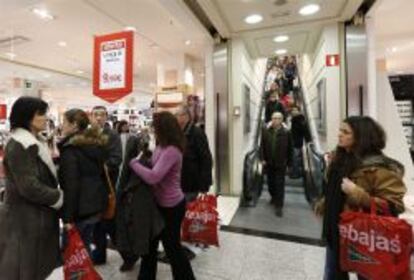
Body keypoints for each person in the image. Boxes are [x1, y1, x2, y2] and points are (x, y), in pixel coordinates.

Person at [315, 116, 406, 280]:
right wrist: (325, 203)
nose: (339, 135)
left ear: (361, 136)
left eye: (346, 132)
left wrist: (356, 193)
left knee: (366, 275)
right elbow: (334, 191)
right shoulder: (339, 159)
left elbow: (393, 206)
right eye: (340, 130)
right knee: (332, 274)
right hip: (336, 230)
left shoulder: (380, 168)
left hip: (363, 236)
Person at [0, 97, 63, 280]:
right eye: (41, 114)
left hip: (35, 216)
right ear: (27, 116)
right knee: (24, 268)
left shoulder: (34, 142)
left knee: (34, 266)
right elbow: (29, 186)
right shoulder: (21, 144)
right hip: (26, 219)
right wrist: (58, 197)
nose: (45, 118)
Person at [129, 111, 195, 280]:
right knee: (150, 245)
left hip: (172, 207)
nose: (153, 129)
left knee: (172, 247)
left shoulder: (172, 150)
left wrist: (134, 164)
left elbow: (154, 177)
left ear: (163, 128)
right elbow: (153, 166)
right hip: (158, 204)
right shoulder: (161, 146)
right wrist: (144, 158)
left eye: (155, 126)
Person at [58, 109, 108, 255]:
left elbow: (71, 185)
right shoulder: (94, 144)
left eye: (64, 122)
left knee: (73, 254)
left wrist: (67, 218)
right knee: (84, 249)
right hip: (94, 205)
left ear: (74, 125)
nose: (62, 126)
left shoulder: (71, 150)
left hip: (79, 209)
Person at [175, 105, 213, 259]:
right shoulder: (178, 133)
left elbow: (206, 158)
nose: (176, 118)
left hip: (191, 181)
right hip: (179, 182)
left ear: (185, 116)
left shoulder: (196, 133)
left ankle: (189, 246)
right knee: (182, 213)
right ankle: (184, 242)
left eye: (178, 115)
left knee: (189, 214)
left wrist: (205, 184)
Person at [90, 105, 122, 265]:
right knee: (98, 222)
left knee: (110, 221)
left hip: (106, 184)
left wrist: (99, 168)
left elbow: (117, 159)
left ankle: (128, 253)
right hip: (92, 186)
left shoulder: (113, 135)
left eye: (102, 115)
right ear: (91, 116)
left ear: (106, 117)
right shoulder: (87, 135)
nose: (98, 118)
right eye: (96, 114)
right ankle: (99, 254)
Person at [260, 112, 293, 217]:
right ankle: (273, 197)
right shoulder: (266, 131)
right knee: (270, 183)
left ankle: (279, 206)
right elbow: (262, 146)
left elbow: (290, 149)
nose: (275, 120)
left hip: (281, 163)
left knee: (279, 184)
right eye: (274, 118)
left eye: (278, 118)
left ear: (282, 120)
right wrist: (262, 158)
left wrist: (290, 163)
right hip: (269, 163)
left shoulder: (287, 132)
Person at [290, 106, 311, 178]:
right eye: (292, 110)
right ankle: (294, 172)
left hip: (297, 142)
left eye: (295, 110)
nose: (293, 111)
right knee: (294, 158)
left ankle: (296, 173)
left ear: (299, 111)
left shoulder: (300, 120)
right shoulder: (293, 120)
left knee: (295, 158)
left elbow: (305, 131)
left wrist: (308, 141)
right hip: (292, 142)